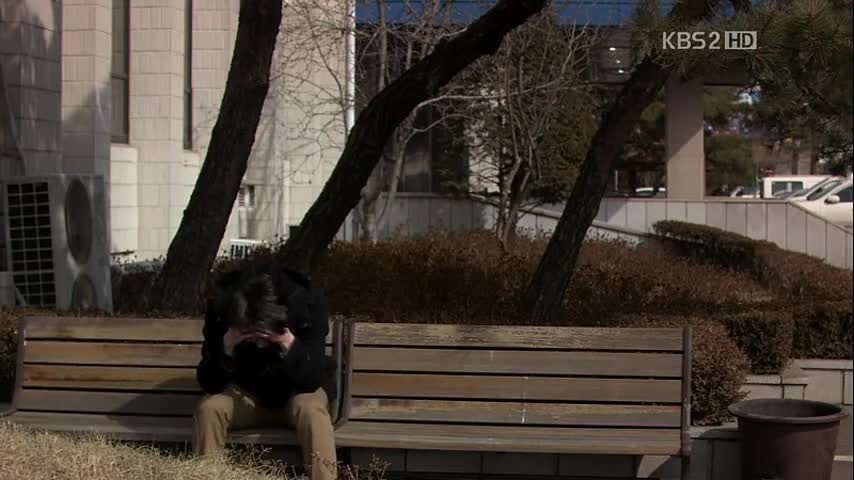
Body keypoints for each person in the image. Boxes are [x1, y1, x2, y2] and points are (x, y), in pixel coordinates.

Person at [191, 265, 337, 480]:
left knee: (311, 410)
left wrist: (287, 342)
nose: (258, 340)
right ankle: (206, 476)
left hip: (298, 393)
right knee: (210, 409)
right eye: (250, 331)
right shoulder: (223, 308)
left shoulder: (306, 304)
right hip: (245, 394)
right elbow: (209, 383)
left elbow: (313, 379)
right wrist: (226, 346)